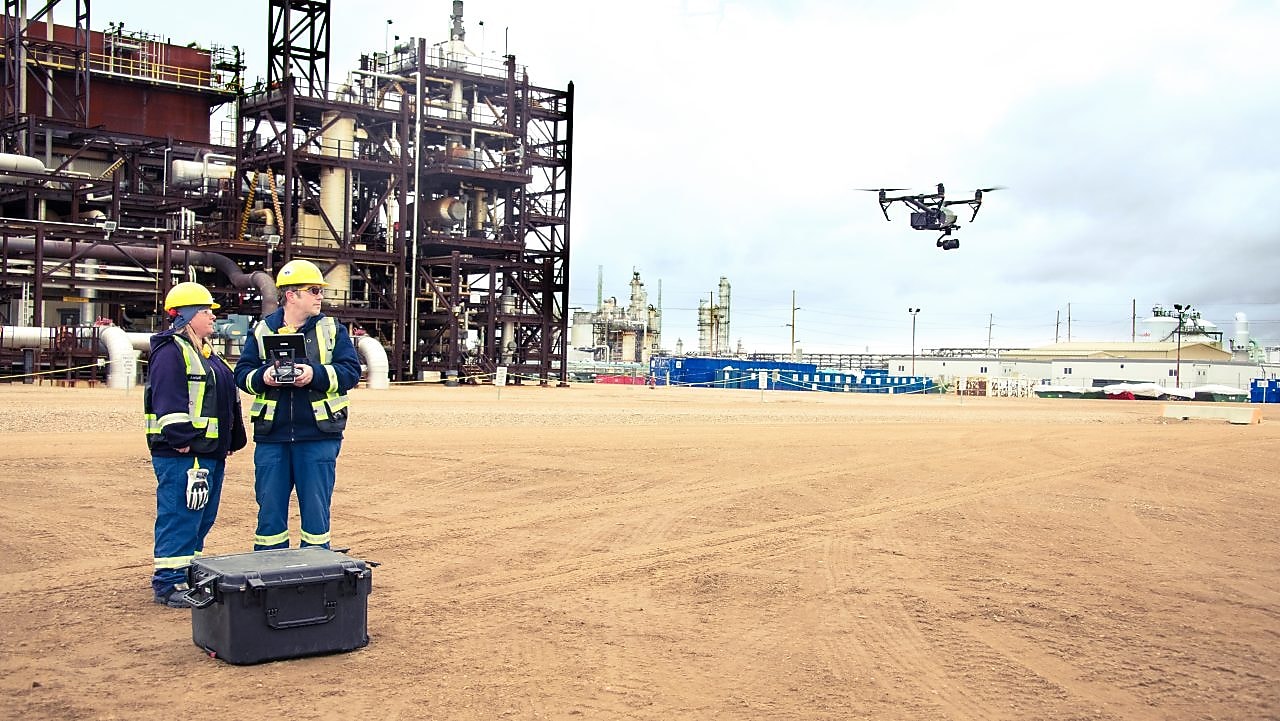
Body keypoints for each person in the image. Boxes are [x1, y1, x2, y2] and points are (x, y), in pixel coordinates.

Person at [234, 259, 361, 551]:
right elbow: (242, 375)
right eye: (314, 290)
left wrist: (313, 374)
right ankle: (268, 571)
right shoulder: (263, 330)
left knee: (316, 514)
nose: (320, 296)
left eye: (320, 291)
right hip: (273, 436)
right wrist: (264, 377)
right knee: (269, 514)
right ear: (291, 295)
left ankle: (315, 571)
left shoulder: (332, 329)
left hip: (317, 435)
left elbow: (351, 372)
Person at [144, 281, 247, 608]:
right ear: (187, 316)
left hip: (207, 452)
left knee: (201, 516)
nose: (212, 316)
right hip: (184, 454)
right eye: (206, 311)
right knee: (180, 514)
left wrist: (231, 440)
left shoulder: (204, 352)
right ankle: (169, 583)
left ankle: (186, 572)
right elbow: (168, 399)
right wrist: (181, 440)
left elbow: (223, 398)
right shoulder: (171, 352)